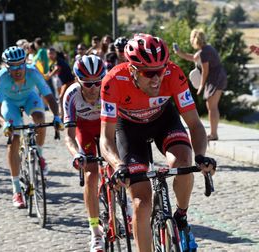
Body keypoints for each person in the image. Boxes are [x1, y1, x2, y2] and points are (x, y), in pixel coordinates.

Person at [99, 33, 216, 252]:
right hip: (129, 130)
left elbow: (195, 125)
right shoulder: (113, 82)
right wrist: (119, 166)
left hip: (164, 121)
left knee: (183, 161)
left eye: (160, 70)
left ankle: (181, 216)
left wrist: (200, 156)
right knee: (141, 205)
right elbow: (106, 138)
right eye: (148, 73)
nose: (156, 79)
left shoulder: (173, 74)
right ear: (132, 70)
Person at [0, 46, 63, 208]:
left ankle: (39, 154)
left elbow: (50, 97)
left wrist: (57, 117)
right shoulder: (2, 77)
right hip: (10, 104)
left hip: (29, 97)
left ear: (25, 63)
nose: (17, 70)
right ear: (6, 67)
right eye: (13, 66)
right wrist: (4, 124)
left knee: (39, 118)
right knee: (14, 137)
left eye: (20, 65)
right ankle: (16, 190)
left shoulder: (33, 72)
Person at [63, 55, 106, 252]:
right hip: (85, 130)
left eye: (98, 82)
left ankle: (126, 209)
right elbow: (69, 136)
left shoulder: (108, 89)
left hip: (107, 127)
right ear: (77, 80)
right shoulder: (71, 95)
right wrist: (75, 155)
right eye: (88, 84)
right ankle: (95, 231)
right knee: (91, 174)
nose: (94, 88)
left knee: (120, 166)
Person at [174, 28, 227, 141]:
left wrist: (201, 87)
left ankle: (213, 134)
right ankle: (213, 133)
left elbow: (205, 71)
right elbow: (193, 58)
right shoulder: (205, 50)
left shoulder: (204, 52)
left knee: (212, 107)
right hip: (216, 78)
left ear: (194, 39)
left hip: (215, 79)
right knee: (211, 106)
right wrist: (179, 53)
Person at [46, 47, 75, 118]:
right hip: (64, 83)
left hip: (70, 82)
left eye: (52, 53)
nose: (50, 55)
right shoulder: (53, 62)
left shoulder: (58, 61)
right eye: (49, 54)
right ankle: (63, 114)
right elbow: (50, 71)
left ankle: (63, 116)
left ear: (55, 54)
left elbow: (56, 69)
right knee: (62, 97)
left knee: (61, 97)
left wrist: (49, 76)